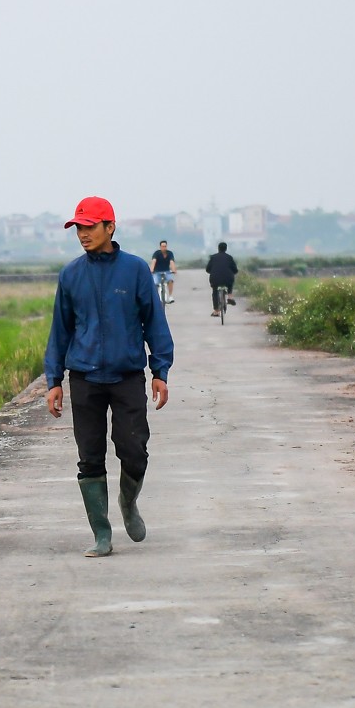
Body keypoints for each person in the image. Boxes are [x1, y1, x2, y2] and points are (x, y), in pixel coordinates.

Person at [45, 196, 174, 557]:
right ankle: (102, 533)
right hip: (84, 377)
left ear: (109, 227)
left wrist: (159, 371)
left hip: (126, 375)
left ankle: (128, 503)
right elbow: (61, 330)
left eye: (89, 226)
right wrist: (54, 379)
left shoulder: (134, 270)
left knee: (134, 451)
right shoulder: (71, 274)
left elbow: (154, 322)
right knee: (89, 456)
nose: (83, 234)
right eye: (78, 228)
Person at [205, 241, 239, 318]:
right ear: (226, 249)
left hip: (215, 279)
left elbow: (207, 269)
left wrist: (213, 271)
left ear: (218, 248)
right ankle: (230, 297)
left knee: (215, 292)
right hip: (227, 278)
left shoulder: (213, 257)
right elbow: (235, 270)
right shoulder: (229, 257)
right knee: (230, 282)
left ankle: (216, 311)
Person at [150, 239, 177, 304]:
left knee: (170, 280)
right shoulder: (157, 253)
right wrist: (151, 270)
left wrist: (174, 270)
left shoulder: (169, 253)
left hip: (167, 271)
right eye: (162, 246)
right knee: (155, 283)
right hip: (157, 272)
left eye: (165, 246)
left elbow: (172, 261)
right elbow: (154, 261)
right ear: (160, 247)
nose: (164, 248)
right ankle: (155, 297)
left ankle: (170, 296)